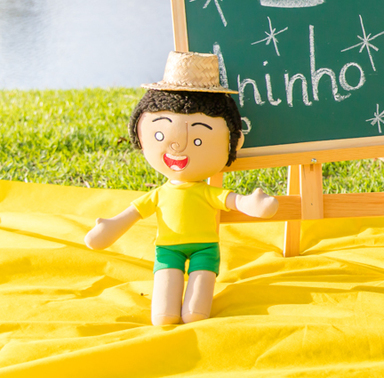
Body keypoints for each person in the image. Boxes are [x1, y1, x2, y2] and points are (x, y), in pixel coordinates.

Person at [85, 51, 278, 325]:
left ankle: (192, 311)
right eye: (161, 135)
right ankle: (169, 312)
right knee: (164, 310)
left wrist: (252, 204)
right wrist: (110, 226)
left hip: (205, 250)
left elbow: (233, 200)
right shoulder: (160, 194)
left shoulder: (206, 192)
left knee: (195, 309)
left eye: (198, 140)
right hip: (167, 251)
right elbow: (133, 213)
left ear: (233, 144)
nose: (177, 146)